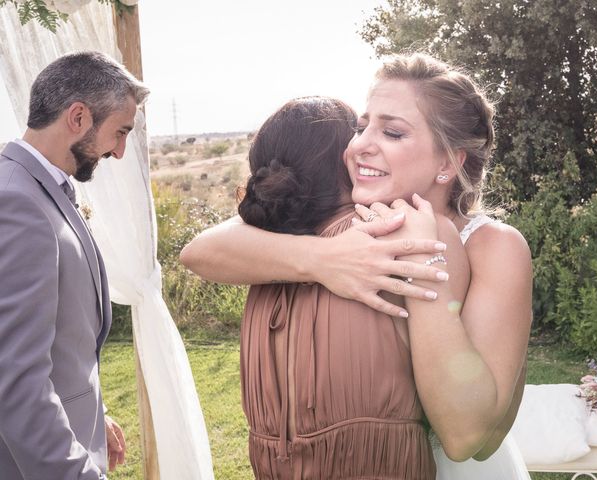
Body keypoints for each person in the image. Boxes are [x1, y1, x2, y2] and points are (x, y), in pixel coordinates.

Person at [182, 53, 532, 479]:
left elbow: (466, 438)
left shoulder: (495, 246)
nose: (361, 144)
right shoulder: (347, 223)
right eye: (362, 126)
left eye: (393, 132)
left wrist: (427, 258)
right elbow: (200, 251)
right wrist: (326, 259)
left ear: (448, 163)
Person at [0, 51, 149, 480]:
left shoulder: (38, 189)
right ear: (78, 117)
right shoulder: (17, 203)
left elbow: (60, 341)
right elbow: (17, 380)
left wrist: (90, 412)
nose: (120, 152)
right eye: (119, 133)